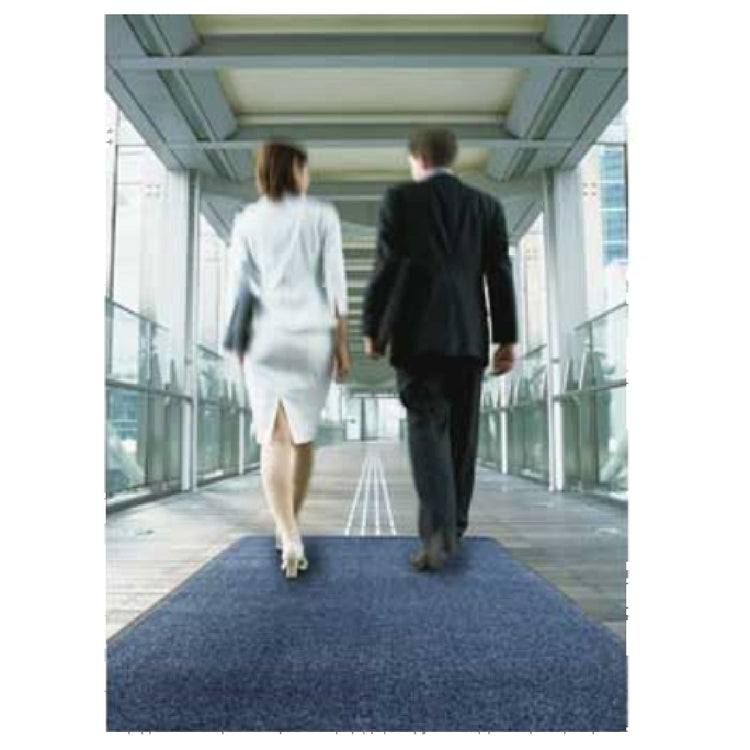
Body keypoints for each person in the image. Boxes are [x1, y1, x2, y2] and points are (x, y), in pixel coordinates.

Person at [362, 128, 517, 571]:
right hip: (468, 337)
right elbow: (499, 273)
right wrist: (506, 338)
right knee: (462, 439)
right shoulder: (486, 206)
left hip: (417, 337)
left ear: (416, 158)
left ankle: (437, 534)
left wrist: (373, 328)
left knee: (427, 430)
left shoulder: (400, 199)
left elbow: (387, 265)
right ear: (452, 158)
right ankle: (455, 530)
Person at [226, 141, 350, 579]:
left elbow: (238, 287)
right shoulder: (322, 215)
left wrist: (237, 346)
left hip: (265, 336)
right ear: (294, 170)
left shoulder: (247, 220)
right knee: (304, 437)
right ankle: (290, 526)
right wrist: (342, 346)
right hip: (312, 337)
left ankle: (288, 532)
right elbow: (336, 285)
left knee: (275, 438)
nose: (307, 176)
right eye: (305, 168)